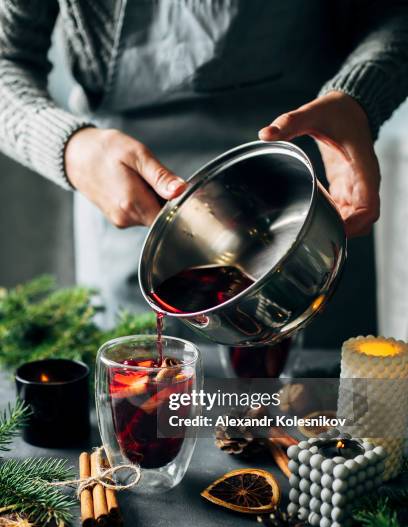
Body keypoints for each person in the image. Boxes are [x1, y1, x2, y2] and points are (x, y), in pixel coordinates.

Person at [0, 0, 407, 334]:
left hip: (312, 203)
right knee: (154, 409)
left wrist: (358, 97)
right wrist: (71, 149)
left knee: (321, 421)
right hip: (135, 209)